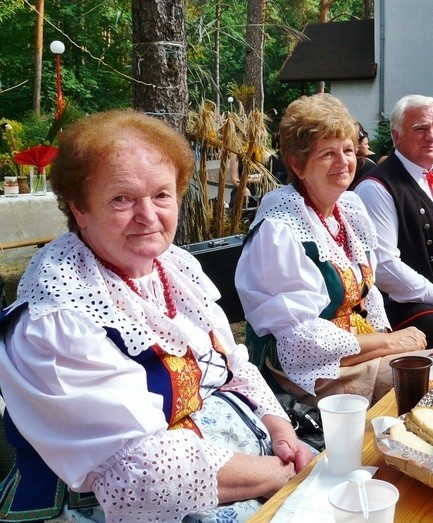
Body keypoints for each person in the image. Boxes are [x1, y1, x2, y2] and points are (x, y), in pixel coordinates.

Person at [0, 109, 314, 521]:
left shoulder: (173, 267)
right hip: (113, 506)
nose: (148, 216)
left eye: (162, 195)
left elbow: (233, 363)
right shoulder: (57, 319)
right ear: (79, 208)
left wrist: (280, 430)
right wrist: (280, 474)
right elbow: (147, 471)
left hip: (238, 467)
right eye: (122, 198)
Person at [236, 94, 427, 407]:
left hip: (350, 352)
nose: (343, 162)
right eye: (327, 154)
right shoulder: (280, 230)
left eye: (348, 150)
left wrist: (391, 339)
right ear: (297, 165)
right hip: (303, 371)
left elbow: (369, 296)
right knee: (419, 385)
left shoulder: (347, 210)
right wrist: (386, 343)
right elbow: (299, 343)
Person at [355, 94, 433, 349]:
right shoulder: (375, 187)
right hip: (405, 307)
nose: (432, 136)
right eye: (420, 129)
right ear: (396, 135)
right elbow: (384, 268)